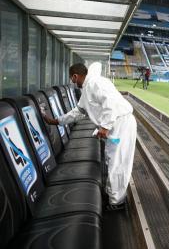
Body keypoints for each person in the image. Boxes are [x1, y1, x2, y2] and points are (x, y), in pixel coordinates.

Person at [43, 63, 137, 210]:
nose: (73, 83)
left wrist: (105, 127)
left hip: (121, 125)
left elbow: (110, 102)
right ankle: (113, 195)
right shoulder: (88, 88)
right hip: (115, 127)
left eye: (72, 79)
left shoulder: (95, 83)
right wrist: (56, 121)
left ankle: (117, 202)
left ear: (75, 76)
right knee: (112, 160)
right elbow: (78, 112)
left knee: (118, 163)